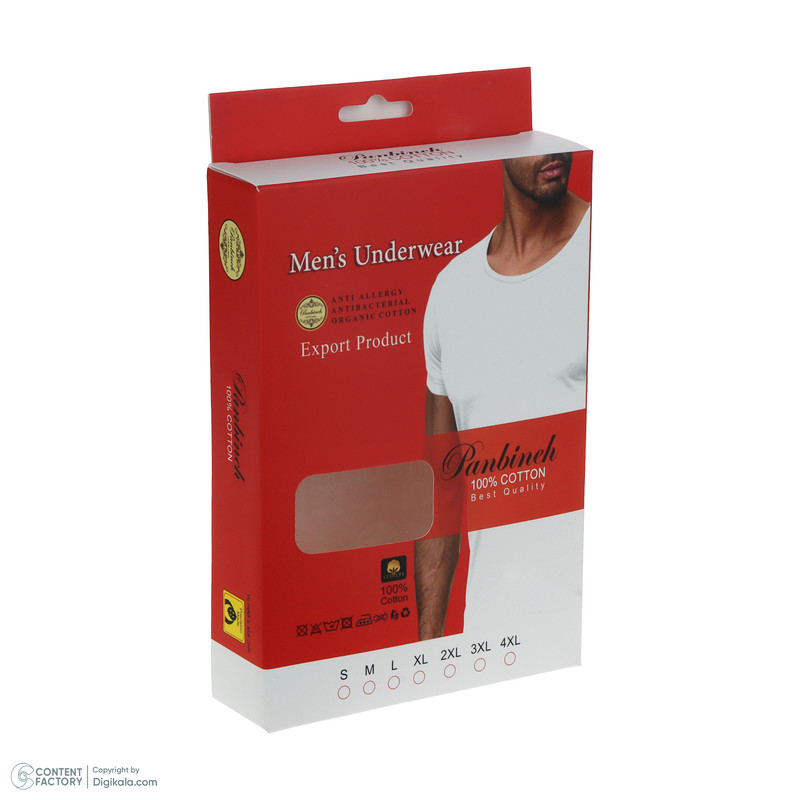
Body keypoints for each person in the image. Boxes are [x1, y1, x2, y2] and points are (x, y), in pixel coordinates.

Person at [415, 152, 591, 641]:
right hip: (491, 641)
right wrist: (426, 656)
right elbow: (441, 493)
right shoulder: (451, 291)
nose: (554, 152)